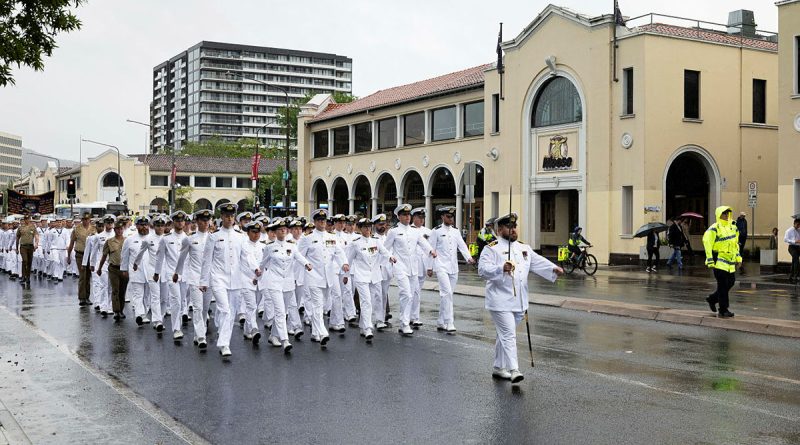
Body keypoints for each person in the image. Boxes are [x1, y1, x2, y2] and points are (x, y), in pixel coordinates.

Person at [478, 212, 563, 384]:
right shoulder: (491, 248)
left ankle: (498, 367)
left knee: (504, 334)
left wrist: (553, 268)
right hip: (499, 300)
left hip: (520, 301)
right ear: (500, 229)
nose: (513, 229)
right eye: (509, 227)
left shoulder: (524, 248)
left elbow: (537, 262)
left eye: (514, 226)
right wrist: (501, 267)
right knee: (509, 334)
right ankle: (514, 369)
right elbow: (482, 270)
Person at [297, 209, 349, 348]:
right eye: (319, 220)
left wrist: (344, 263)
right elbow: (299, 255)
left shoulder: (331, 237)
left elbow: (339, 253)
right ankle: (322, 332)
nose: (322, 222)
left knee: (325, 304)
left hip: (328, 277)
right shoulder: (307, 238)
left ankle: (315, 333)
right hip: (313, 276)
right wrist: (304, 266)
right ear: (314, 222)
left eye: (324, 220)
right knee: (317, 305)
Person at [258, 218, 312, 353]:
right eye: (280, 230)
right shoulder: (269, 247)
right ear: (275, 232)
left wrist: (306, 264)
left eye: (284, 229)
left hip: (288, 282)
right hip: (274, 282)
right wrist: (256, 276)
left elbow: (299, 257)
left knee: (283, 310)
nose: (283, 231)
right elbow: (262, 264)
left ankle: (273, 336)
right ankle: (285, 340)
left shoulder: (292, 246)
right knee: (280, 311)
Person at [383, 204, 437, 336]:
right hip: (400, 266)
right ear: (399, 217)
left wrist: (431, 250)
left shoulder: (415, 232)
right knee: (406, 294)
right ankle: (404, 323)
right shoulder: (393, 232)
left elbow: (423, 243)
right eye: (405, 215)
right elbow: (384, 248)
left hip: (413, 267)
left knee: (411, 295)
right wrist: (389, 258)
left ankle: (405, 322)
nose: (407, 217)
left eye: (409, 215)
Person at [199, 203, 246, 358]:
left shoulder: (240, 237)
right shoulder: (214, 237)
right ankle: (224, 344)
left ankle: (224, 338)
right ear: (222, 217)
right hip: (218, 278)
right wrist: (204, 281)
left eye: (232, 216)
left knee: (231, 312)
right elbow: (207, 261)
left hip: (236, 279)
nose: (229, 218)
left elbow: (246, 258)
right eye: (226, 216)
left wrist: (255, 271)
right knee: (225, 309)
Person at [427, 206, 475, 333]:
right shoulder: (436, 231)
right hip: (441, 266)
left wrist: (468, 258)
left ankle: (441, 321)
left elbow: (462, 246)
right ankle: (449, 322)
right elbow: (431, 250)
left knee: (448, 295)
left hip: (453, 267)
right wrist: (429, 267)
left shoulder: (455, 231)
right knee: (447, 293)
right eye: (448, 216)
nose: (451, 219)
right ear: (442, 217)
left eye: (452, 217)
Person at [346, 218, 395, 342]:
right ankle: (368, 328)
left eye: (369, 227)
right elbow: (348, 261)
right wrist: (345, 276)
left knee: (371, 301)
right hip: (361, 276)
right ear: (359, 228)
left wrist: (391, 257)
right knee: (366, 301)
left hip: (375, 276)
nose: (368, 229)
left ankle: (363, 325)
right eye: (365, 227)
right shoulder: (355, 243)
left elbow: (384, 252)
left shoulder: (376, 241)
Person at [174, 209, 212, 349]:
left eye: (207, 220)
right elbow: (182, 258)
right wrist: (177, 272)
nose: (205, 223)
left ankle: (198, 334)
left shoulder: (214, 238)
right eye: (202, 220)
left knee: (205, 309)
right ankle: (201, 337)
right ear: (197, 222)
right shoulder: (189, 239)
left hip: (209, 279)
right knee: (197, 307)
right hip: (194, 277)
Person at [703, 206, 741, 318]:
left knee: (730, 282)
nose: (726, 215)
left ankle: (712, 299)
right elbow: (707, 243)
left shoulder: (733, 227)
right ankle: (723, 310)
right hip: (719, 261)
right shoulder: (714, 228)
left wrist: (738, 258)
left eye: (727, 213)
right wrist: (709, 259)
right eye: (724, 213)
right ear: (719, 215)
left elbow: (735, 245)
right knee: (723, 285)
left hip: (730, 263)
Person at [97, 219, 128, 321]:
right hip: (113, 269)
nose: (119, 231)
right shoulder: (109, 242)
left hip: (124, 269)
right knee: (115, 290)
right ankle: (116, 311)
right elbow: (104, 256)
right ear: (114, 230)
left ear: (123, 230)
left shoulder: (127, 241)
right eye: (117, 229)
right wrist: (100, 268)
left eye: (121, 229)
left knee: (122, 291)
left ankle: (121, 310)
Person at [68, 212, 96, 306]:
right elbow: (72, 242)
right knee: (82, 276)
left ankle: (87, 297)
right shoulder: (77, 229)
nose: (85, 221)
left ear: (90, 220)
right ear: (82, 220)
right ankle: (82, 297)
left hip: (90, 255)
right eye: (84, 219)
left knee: (88, 276)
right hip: (80, 254)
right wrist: (68, 256)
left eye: (87, 219)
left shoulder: (94, 229)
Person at [410, 207, 432, 328]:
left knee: (416, 291)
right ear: (414, 218)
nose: (422, 220)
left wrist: (430, 267)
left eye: (423, 218)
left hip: (423, 265)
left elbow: (430, 250)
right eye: (419, 217)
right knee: (414, 291)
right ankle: (414, 317)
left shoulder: (428, 231)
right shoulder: (410, 230)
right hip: (412, 264)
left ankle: (412, 316)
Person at [15, 213, 39, 287]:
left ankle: (28, 277)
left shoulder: (33, 227)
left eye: (28, 219)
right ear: (24, 220)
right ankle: (23, 276)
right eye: (26, 219)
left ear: (30, 219)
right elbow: (17, 238)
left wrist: (36, 244)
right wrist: (16, 248)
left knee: (29, 262)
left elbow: (36, 236)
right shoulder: (20, 228)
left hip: (30, 246)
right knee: (24, 261)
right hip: (23, 246)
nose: (27, 220)